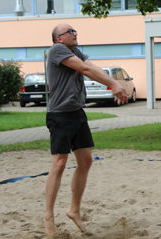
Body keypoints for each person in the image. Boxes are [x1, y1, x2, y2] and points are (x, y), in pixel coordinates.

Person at [44, 23, 128, 238]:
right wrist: (113, 85)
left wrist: (114, 82)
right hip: (59, 115)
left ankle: (73, 209)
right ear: (59, 38)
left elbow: (92, 67)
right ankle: (49, 216)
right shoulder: (57, 50)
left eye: (75, 30)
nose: (75, 33)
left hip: (77, 113)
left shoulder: (75, 52)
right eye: (69, 32)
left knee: (86, 160)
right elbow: (85, 69)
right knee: (60, 163)